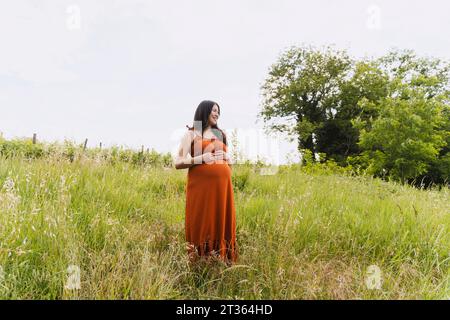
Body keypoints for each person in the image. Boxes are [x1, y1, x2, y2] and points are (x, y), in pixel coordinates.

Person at [175, 100, 238, 266]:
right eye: (214, 111)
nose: (217, 114)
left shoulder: (221, 134)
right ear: (204, 111)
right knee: (202, 221)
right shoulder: (191, 134)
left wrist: (228, 160)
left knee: (220, 219)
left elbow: (228, 163)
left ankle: (222, 260)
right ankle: (200, 261)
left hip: (222, 188)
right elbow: (178, 162)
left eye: (218, 111)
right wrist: (201, 158)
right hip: (201, 188)